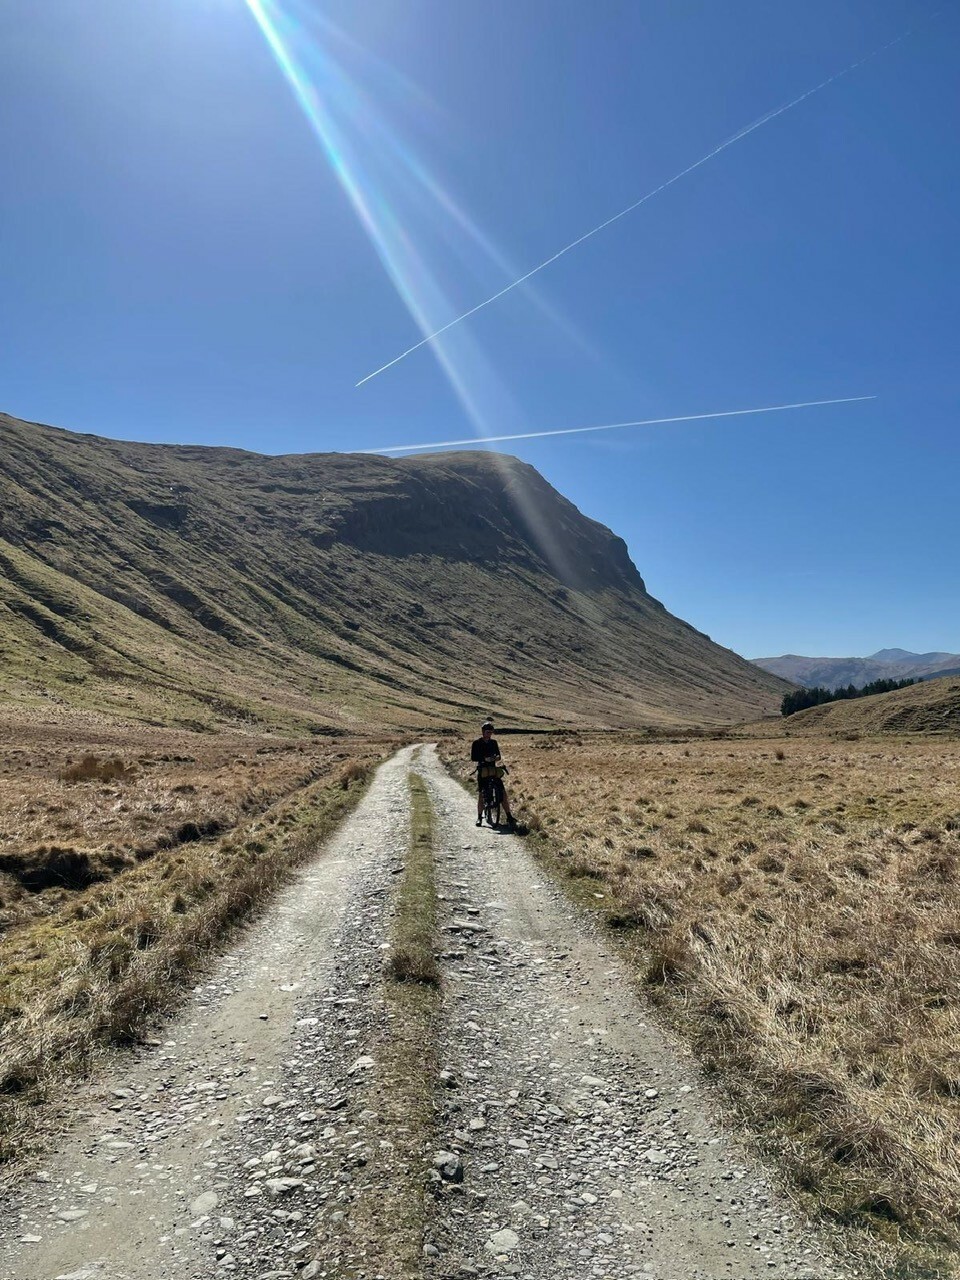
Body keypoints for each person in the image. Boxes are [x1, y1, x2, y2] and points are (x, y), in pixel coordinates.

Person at [470, 720, 516, 827]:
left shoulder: (494, 743)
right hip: (483, 770)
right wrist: (484, 759)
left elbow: (499, 755)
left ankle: (509, 816)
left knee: (503, 792)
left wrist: (496, 757)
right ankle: (479, 817)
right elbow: (473, 758)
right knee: (481, 794)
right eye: (487, 732)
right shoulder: (476, 743)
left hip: (493, 770)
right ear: (483, 732)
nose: (489, 734)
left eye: (490, 732)